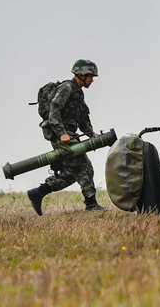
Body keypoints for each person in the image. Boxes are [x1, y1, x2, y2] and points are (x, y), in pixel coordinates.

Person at [27, 59, 106, 215]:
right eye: (91, 76)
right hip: (59, 134)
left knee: (71, 174)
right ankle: (91, 204)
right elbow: (54, 111)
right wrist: (62, 133)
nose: (92, 80)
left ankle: (39, 192)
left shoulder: (78, 92)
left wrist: (92, 133)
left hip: (69, 134)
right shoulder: (66, 88)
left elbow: (82, 117)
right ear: (82, 75)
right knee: (84, 166)